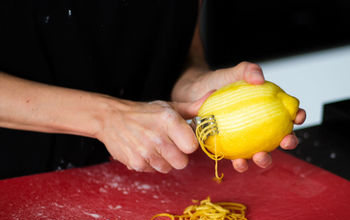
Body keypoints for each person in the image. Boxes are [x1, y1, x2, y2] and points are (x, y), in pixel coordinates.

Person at [0, 1, 306, 178]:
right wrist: (106, 117)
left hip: (155, 167)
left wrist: (192, 84)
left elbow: (182, 42)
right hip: (20, 174)